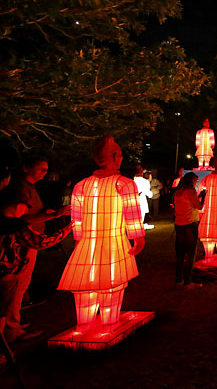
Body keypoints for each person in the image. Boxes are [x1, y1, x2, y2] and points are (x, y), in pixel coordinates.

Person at [57, 136, 146, 328]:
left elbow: (76, 220)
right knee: (113, 283)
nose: (121, 158)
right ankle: (109, 324)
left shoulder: (81, 185)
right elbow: (132, 215)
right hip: (114, 244)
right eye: (119, 155)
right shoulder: (124, 184)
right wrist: (138, 237)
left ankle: (84, 324)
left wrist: (79, 240)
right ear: (113, 157)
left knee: (85, 285)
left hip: (86, 247)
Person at [4, 156, 70, 343]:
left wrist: (46, 215)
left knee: (22, 284)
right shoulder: (19, 190)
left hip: (28, 240)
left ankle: (13, 322)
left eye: (46, 169)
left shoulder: (30, 188)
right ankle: (10, 328)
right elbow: (21, 219)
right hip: (21, 244)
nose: (44, 173)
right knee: (16, 285)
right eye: (40, 168)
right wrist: (56, 219)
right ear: (26, 168)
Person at [173, 172, 204, 289]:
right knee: (191, 253)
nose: (196, 183)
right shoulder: (190, 191)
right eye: (196, 181)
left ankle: (178, 280)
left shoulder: (177, 191)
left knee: (180, 253)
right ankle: (188, 282)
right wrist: (203, 197)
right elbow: (199, 206)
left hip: (179, 224)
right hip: (190, 224)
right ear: (191, 181)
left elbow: (188, 202)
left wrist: (198, 196)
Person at [134, 165, 153, 229]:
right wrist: (151, 194)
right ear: (142, 173)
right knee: (140, 218)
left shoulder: (131, 180)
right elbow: (149, 194)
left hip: (132, 201)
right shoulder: (144, 181)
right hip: (141, 201)